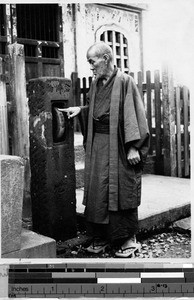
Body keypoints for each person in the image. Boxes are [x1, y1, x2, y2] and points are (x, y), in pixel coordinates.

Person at [59, 41, 149, 258]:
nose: (90, 66)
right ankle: (101, 236)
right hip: (98, 144)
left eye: (92, 61)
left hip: (119, 144)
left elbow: (135, 114)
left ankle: (126, 238)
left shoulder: (126, 82)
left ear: (106, 58)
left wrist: (134, 147)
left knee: (121, 189)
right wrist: (79, 110)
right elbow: (96, 111)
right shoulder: (96, 84)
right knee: (98, 190)